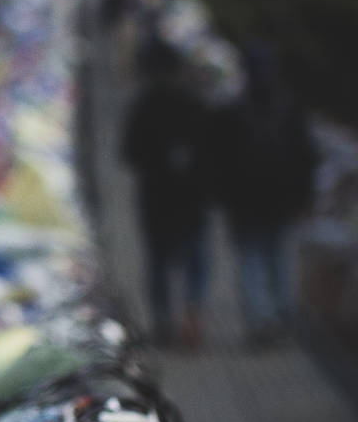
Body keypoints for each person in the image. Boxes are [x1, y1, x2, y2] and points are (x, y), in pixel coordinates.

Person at [212, 43, 315, 347]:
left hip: (245, 202)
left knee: (251, 261)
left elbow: (222, 160)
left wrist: (224, 197)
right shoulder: (290, 107)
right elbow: (306, 157)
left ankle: (260, 320)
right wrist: (304, 197)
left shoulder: (233, 110)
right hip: (282, 199)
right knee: (278, 259)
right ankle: (281, 317)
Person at [122, 39, 217, 348]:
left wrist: (156, 162)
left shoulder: (144, 105)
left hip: (157, 198)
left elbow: (129, 152)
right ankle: (192, 313)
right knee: (195, 263)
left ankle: (163, 320)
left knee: (158, 262)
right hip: (193, 199)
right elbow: (213, 151)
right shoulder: (195, 103)